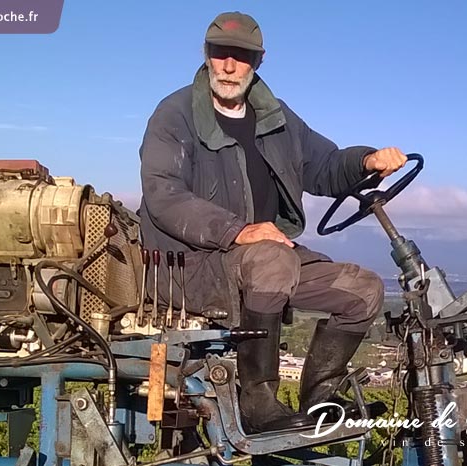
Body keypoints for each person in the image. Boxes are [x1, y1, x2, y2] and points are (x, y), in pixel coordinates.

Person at [139, 11, 407, 433]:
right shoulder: (174, 115)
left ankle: (319, 399)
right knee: (271, 259)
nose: (229, 66)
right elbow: (163, 195)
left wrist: (366, 160)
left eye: (240, 56)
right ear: (206, 56)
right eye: (220, 53)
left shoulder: (277, 118)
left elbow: (324, 166)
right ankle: (257, 399)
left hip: (264, 260)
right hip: (194, 265)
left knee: (364, 289)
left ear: (258, 61)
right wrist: (237, 231)